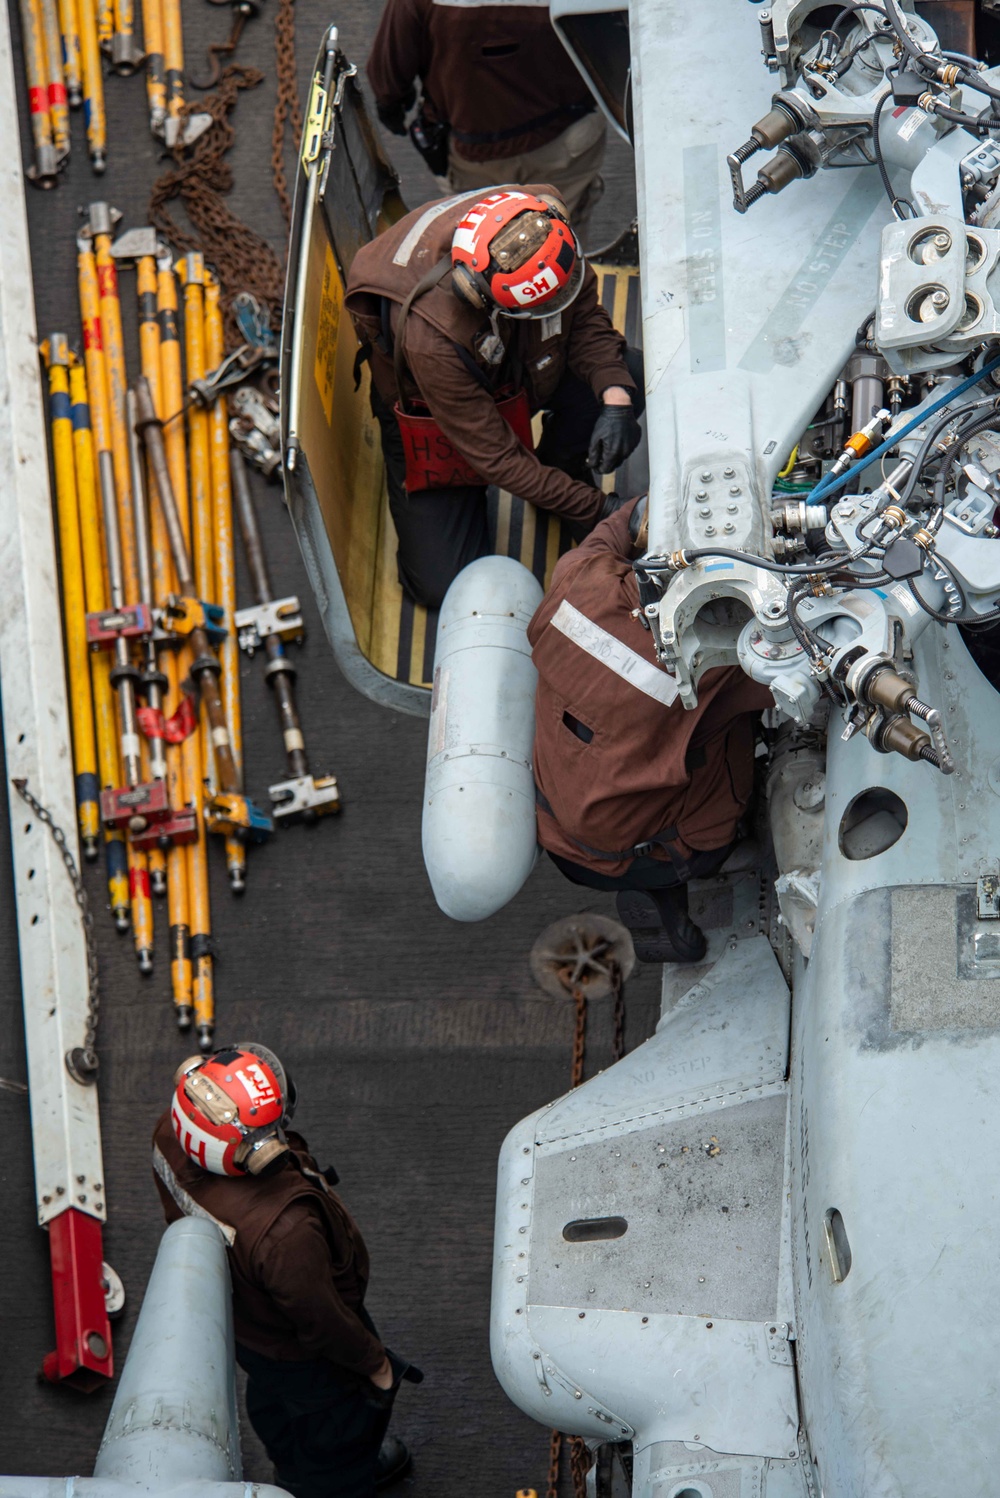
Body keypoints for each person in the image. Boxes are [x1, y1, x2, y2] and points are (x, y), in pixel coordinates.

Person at [345, 185, 643, 609]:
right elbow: (499, 459)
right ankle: (561, 492)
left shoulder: (538, 225)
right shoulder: (432, 338)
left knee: (630, 374)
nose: (556, 304)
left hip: (522, 366)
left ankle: (563, 465)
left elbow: (582, 314)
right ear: (479, 296)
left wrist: (615, 399)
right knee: (442, 585)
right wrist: (607, 509)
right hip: (440, 417)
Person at [151, 1043, 420, 1498]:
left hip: (247, 1326)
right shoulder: (286, 1229)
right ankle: (336, 1479)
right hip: (301, 1348)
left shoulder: (168, 1135)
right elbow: (320, 1320)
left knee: (275, 1403)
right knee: (337, 1424)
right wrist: (376, 1364)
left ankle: (295, 1473)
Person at [528, 497, 774, 963]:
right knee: (731, 727)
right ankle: (666, 880)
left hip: (560, 836)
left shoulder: (579, 579)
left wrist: (646, 505)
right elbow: (796, 670)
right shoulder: (708, 666)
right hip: (662, 851)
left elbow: (616, 525)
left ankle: (657, 895)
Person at [367, 0, 606, 227]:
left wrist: (391, 104)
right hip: (565, 141)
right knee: (561, 236)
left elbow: (389, 68)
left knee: (482, 240)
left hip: (473, 155)